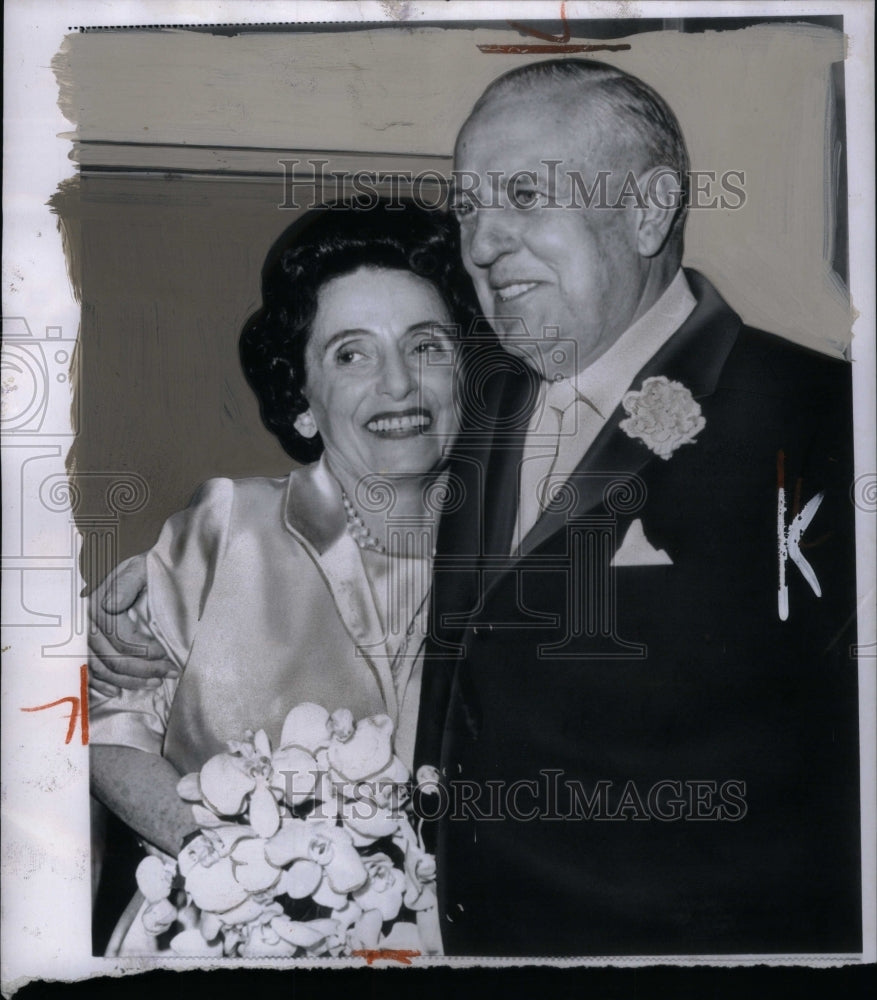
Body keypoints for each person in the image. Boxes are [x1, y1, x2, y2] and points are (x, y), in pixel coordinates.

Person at [91, 60, 861, 958]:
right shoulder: (482, 411)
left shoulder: (824, 423)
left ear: (649, 209)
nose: (485, 241)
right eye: (468, 210)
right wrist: (112, 623)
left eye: (526, 194)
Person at [89, 201, 475, 875]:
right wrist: (233, 872)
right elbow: (105, 730)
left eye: (426, 347)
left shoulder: (521, 554)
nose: (397, 384)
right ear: (301, 398)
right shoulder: (222, 532)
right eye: (351, 353)